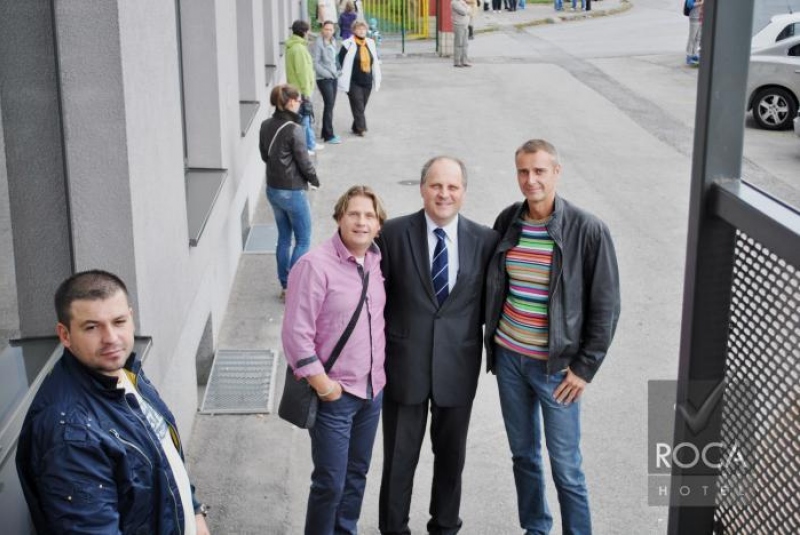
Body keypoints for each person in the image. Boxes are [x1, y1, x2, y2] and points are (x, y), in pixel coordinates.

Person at [484, 139, 621, 535]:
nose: (531, 180)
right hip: (510, 358)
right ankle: (535, 528)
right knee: (523, 456)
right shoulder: (508, 220)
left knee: (566, 467)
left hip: (557, 369)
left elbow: (607, 306)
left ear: (556, 172)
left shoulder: (588, 229)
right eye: (524, 172)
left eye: (540, 171)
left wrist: (585, 369)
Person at [15, 270, 211, 535]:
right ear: (65, 335)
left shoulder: (125, 371)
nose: (111, 338)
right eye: (92, 327)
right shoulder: (70, 437)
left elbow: (162, 454)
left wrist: (195, 511)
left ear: (131, 318)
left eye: (118, 321)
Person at [377, 157, 498, 535]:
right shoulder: (392, 235)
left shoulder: (485, 240)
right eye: (436, 185)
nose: (444, 194)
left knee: (451, 458)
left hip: (457, 369)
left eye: (453, 187)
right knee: (399, 460)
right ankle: (394, 529)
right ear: (422, 187)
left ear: (463, 192)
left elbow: (491, 302)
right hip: (404, 366)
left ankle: (445, 527)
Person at [282, 185, 388, 535]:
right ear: (339, 218)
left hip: (371, 393)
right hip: (335, 397)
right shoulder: (314, 266)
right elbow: (296, 337)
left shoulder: (375, 261)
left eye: (369, 216)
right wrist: (324, 387)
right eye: (354, 214)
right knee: (329, 484)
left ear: (378, 225)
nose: (361, 221)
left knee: (356, 477)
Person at [259, 84, 320, 300]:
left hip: (273, 189)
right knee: (303, 239)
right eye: (298, 99)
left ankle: (285, 285)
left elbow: (264, 156)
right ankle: (293, 287)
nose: (301, 102)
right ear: (290, 102)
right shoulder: (294, 129)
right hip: (292, 190)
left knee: (284, 237)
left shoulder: (266, 124)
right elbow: (304, 161)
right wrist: (314, 179)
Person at [338, 20, 382, 137]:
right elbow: (340, 60)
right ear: (354, 30)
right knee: (358, 105)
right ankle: (362, 128)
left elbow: (375, 61)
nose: (362, 31)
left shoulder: (370, 43)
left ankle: (355, 126)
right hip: (353, 81)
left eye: (363, 29)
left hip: (367, 81)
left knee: (361, 106)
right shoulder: (347, 44)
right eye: (359, 29)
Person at [286, 20, 322, 154]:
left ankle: (311, 143)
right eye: (308, 31)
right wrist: (306, 92)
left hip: (298, 89)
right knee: (304, 119)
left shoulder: (295, 46)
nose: (309, 34)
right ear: (303, 32)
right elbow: (302, 72)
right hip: (301, 90)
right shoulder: (298, 48)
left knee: (305, 118)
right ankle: (306, 147)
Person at [313, 20, 342, 145]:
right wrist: (328, 74)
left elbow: (335, 59)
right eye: (326, 29)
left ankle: (326, 132)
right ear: (322, 30)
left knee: (330, 105)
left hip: (333, 77)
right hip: (324, 79)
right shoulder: (318, 43)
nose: (328, 31)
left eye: (330, 29)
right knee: (329, 105)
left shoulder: (333, 41)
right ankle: (329, 136)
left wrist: (337, 70)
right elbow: (315, 63)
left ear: (333, 31)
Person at [452, 0, 472, 68]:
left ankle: (465, 61)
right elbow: (463, 12)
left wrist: (467, 8)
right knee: (458, 44)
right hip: (459, 25)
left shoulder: (462, 1)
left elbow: (469, 11)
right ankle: (457, 62)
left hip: (465, 24)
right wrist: (468, 7)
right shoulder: (454, 2)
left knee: (465, 44)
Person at [685, 0, 704, 66]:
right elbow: (689, 4)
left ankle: (695, 54)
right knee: (692, 37)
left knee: (698, 38)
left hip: (701, 18)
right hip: (694, 17)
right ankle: (689, 56)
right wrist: (700, 3)